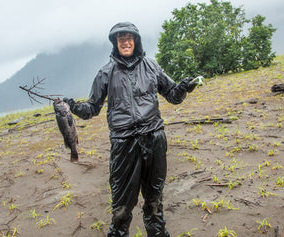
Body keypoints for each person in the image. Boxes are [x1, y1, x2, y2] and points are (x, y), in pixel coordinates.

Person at [63, 22, 198, 237]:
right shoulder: (106, 73)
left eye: (129, 38)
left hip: (154, 139)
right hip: (123, 143)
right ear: (115, 44)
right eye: (120, 39)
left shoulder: (152, 66)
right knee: (121, 206)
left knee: (154, 200)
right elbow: (92, 108)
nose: (125, 42)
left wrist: (183, 87)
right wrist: (73, 107)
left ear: (136, 40)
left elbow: (173, 95)